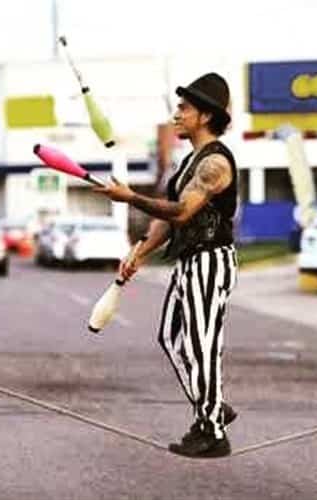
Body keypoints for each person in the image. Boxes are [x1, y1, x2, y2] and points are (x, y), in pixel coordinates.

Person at [93, 72, 239, 458]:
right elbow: (165, 221)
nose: (176, 114)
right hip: (190, 261)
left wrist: (128, 197)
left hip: (211, 260)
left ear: (205, 116)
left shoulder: (216, 163)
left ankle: (212, 431)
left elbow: (181, 211)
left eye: (184, 108)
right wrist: (139, 253)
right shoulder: (189, 161)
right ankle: (212, 404)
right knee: (171, 338)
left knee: (202, 345)